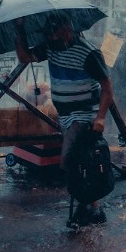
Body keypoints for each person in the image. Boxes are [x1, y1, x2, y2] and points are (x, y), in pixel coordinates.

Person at [15, 13, 113, 225]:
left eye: (56, 34)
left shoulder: (88, 52)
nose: (52, 39)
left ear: (68, 29)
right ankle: (92, 208)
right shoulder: (51, 47)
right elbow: (25, 57)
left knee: (70, 159)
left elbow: (107, 87)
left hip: (84, 116)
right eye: (49, 35)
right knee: (83, 162)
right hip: (66, 116)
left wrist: (101, 117)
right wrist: (20, 30)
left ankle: (85, 208)